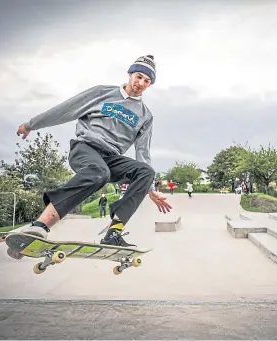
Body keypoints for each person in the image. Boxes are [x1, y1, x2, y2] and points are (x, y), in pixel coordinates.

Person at [15, 55, 172, 248]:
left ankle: (114, 233)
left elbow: (143, 152)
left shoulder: (145, 115)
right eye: (138, 77)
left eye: (146, 81)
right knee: (99, 172)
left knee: (146, 171)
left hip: (112, 158)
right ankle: (40, 225)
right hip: (85, 147)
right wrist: (32, 124)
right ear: (130, 74)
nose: (140, 83)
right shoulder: (102, 93)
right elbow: (66, 109)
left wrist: (150, 188)